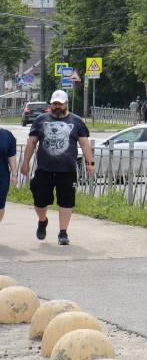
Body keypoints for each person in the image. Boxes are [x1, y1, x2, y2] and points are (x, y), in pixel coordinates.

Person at [19, 89, 94, 246]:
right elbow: (32, 143)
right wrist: (25, 162)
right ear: (51, 105)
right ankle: (42, 220)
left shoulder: (77, 122)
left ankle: (63, 233)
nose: (57, 107)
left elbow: (84, 143)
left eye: (60, 104)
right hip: (44, 169)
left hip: (67, 170)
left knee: (66, 202)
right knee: (40, 200)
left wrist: (89, 163)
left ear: (66, 104)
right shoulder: (40, 120)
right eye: (54, 104)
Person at [0, 124, 16, 227]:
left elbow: (11, 155)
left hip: (2, 176)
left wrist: (14, 174)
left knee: (0, 206)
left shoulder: (7, 136)